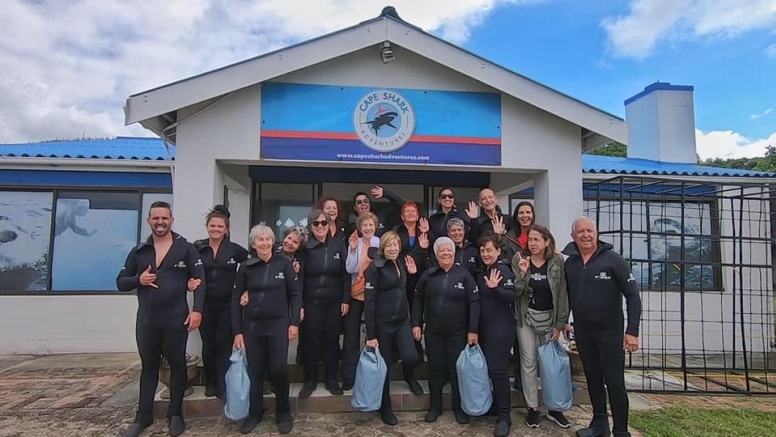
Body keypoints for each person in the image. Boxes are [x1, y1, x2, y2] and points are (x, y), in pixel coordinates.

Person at [116, 201, 205, 437]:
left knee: (177, 365)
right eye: (155, 218)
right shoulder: (139, 251)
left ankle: (175, 414)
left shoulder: (185, 248)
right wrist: (139, 280)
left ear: (171, 220)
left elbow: (199, 280)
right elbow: (120, 282)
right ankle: (143, 416)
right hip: (147, 320)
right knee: (149, 367)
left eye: (164, 218)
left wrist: (197, 310)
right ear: (149, 221)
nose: (160, 222)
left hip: (176, 318)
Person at [562, 217, 641, 437]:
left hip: (610, 332)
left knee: (614, 381)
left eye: (590, 231)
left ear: (596, 233)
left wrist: (632, 331)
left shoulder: (614, 260)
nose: (586, 235)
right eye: (581, 232)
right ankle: (599, 425)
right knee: (593, 379)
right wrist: (565, 320)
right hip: (584, 332)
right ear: (573, 236)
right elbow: (567, 295)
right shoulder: (572, 263)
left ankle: (621, 430)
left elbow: (633, 296)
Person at [231, 224, 301, 435]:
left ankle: (283, 412)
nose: (264, 243)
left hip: (278, 325)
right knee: (256, 371)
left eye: (268, 239)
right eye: (260, 239)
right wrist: (237, 332)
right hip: (252, 326)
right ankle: (255, 412)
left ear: (273, 242)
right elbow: (235, 300)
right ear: (253, 243)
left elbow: (295, 295)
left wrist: (294, 323)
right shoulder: (245, 267)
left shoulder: (284, 264)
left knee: (279, 369)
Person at [412, 236, 479, 424]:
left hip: (458, 332)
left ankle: (459, 408)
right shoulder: (429, 274)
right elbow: (417, 299)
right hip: (434, 331)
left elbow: (474, 303)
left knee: (456, 370)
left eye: (449, 250)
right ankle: (435, 407)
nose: (446, 253)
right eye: (442, 251)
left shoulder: (465, 275)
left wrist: (473, 330)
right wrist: (416, 323)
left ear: (454, 252)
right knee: (435, 370)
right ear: (436, 254)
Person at [512, 224, 571, 429]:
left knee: (550, 364)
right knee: (528, 362)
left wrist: (560, 323)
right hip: (526, 317)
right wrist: (522, 273)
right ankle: (533, 408)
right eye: (530, 239)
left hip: (549, 319)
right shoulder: (520, 258)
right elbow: (516, 292)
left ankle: (554, 408)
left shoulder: (557, 261)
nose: (533, 243)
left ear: (547, 241)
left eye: (537, 239)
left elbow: (562, 293)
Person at [188, 205, 249, 400]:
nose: (216, 229)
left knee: (223, 344)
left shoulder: (234, 250)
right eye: (212, 225)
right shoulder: (197, 247)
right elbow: (186, 270)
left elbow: (252, 264)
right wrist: (187, 282)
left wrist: (247, 287)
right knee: (208, 344)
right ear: (207, 227)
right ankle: (211, 382)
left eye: (220, 226)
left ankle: (222, 383)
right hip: (205, 304)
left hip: (228, 305)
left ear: (226, 229)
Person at [363, 231, 420, 426]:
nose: (393, 248)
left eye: (395, 245)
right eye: (389, 246)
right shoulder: (374, 268)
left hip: (402, 320)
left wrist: (412, 276)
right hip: (383, 324)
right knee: (385, 368)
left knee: (411, 356)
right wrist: (371, 335)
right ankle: (385, 407)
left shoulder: (401, 262)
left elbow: (403, 290)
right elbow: (369, 303)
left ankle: (409, 376)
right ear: (383, 248)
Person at [298, 209, 350, 398]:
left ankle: (331, 378)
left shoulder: (338, 245)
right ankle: (310, 380)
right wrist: (300, 305)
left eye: (324, 223)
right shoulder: (305, 248)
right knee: (311, 342)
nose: (320, 227)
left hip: (334, 303)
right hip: (312, 303)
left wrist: (346, 300)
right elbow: (300, 277)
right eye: (316, 223)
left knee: (331, 341)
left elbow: (346, 274)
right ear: (311, 226)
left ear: (329, 225)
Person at [476, 231, 517, 437]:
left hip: (500, 328)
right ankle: (494, 405)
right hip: (485, 328)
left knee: (498, 372)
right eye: (482, 250)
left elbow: (511, 296)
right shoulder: (485, 271)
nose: (485, 253)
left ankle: (505, 417)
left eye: (489, 250)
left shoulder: (502, 271)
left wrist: (495, 289)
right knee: (489, 370)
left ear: (498, 251)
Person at [342, 212, 380, 390]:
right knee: (351, 336)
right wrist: (352, 249)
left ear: (375, 226)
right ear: (360, 227)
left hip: (375, 295)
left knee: (373, 334)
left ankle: (372, 374)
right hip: (356, 293)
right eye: (364, 225)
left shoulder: (380, 243)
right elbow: (350, 269)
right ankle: (350, 376)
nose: (368, 228)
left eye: (371, 225)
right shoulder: (355, 243)